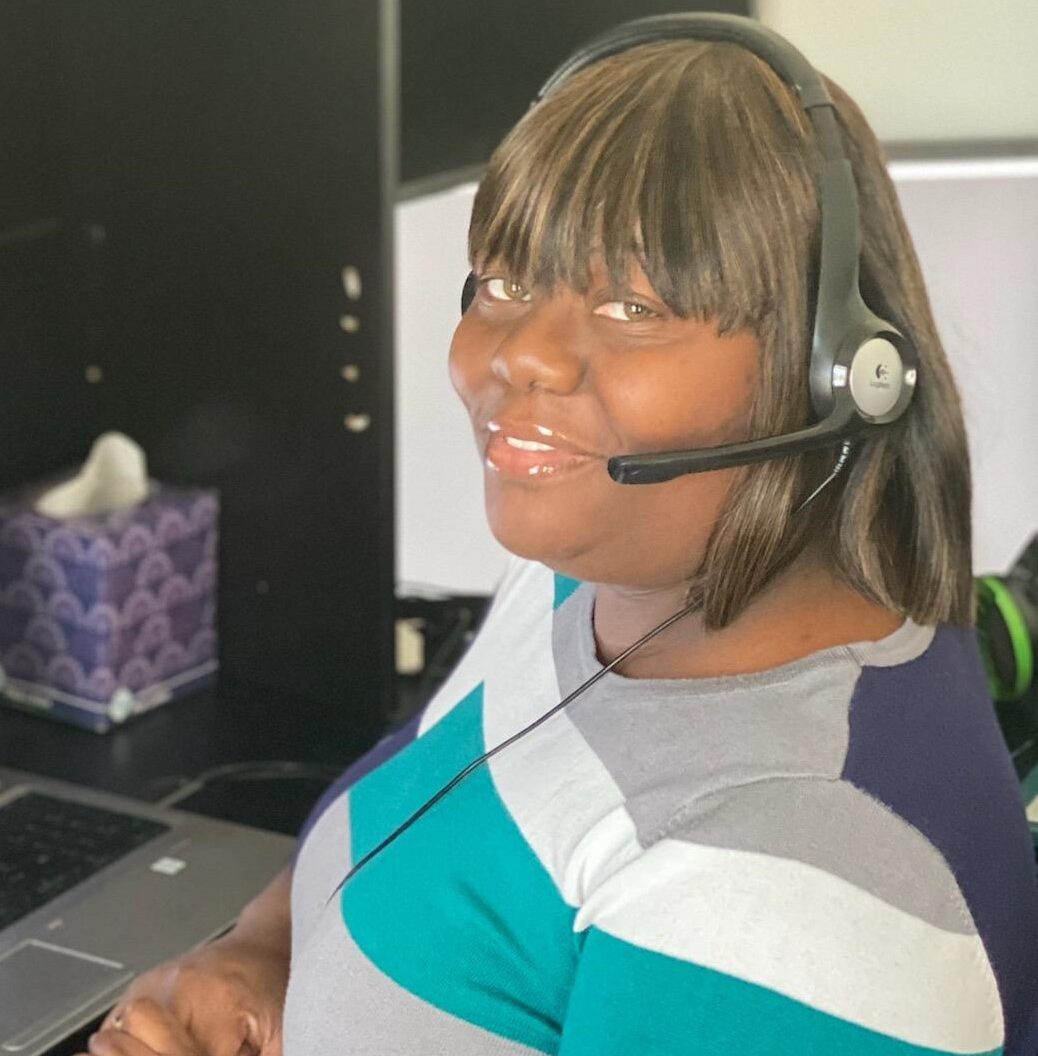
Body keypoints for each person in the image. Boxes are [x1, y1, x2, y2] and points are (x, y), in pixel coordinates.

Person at [79, 24, 1038, 1056]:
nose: (519, 355)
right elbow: (414, 810)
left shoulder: (798, 891)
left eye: (633, 304)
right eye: (502, 280)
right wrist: (264, 951)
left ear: (837, 374)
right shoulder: (589, 581)